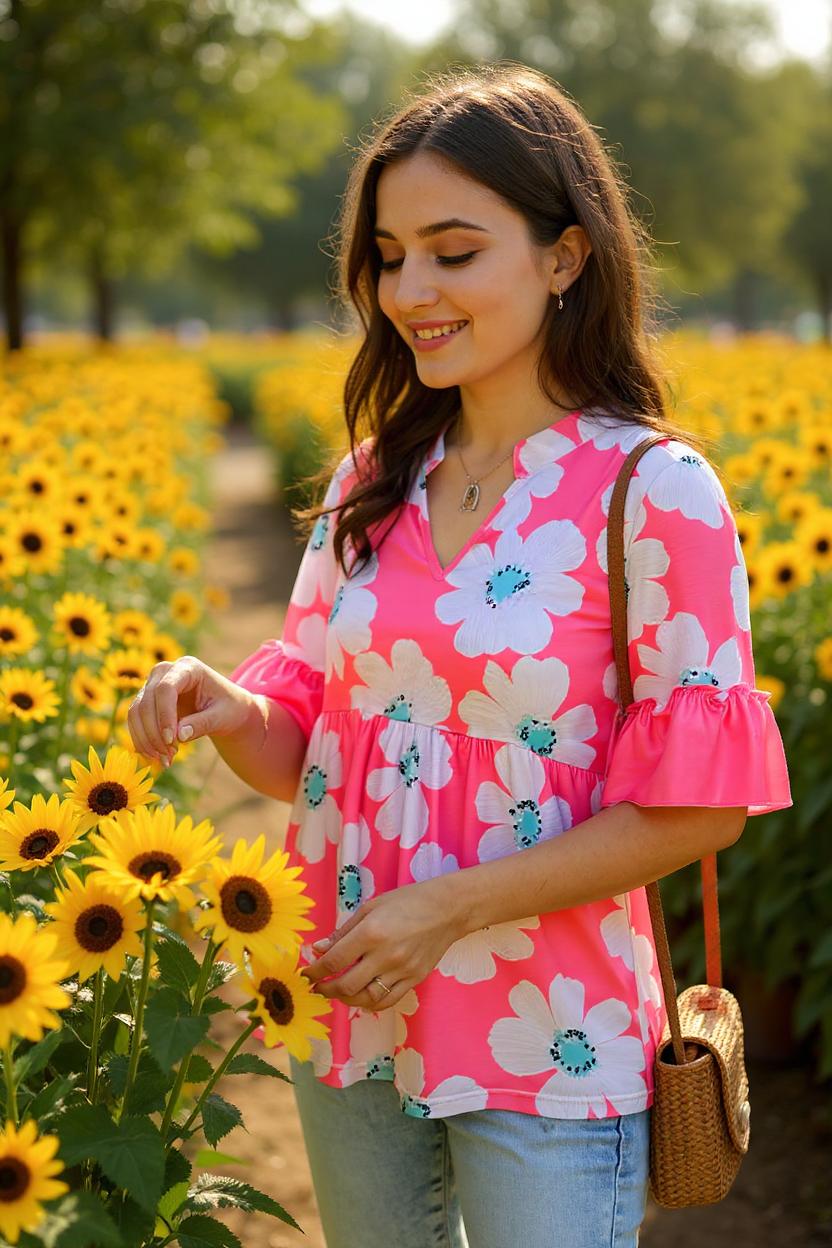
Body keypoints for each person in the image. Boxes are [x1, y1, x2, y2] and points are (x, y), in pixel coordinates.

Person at [127, 63, 792, 1248]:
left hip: (551, 1032)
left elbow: (701, 811)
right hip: (352, 1004)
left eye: (452, 249)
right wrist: (231, 709)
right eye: (388, 255)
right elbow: (315, 757)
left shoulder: (651, 488)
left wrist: (444, 911)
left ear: (564, 256)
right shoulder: (374, 477)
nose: (409, 290)